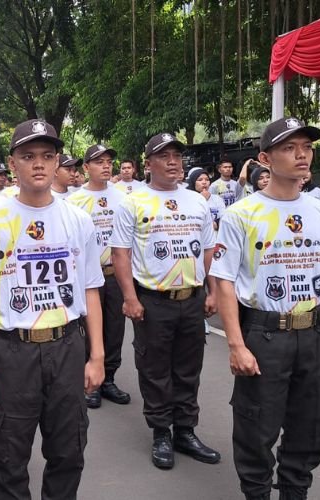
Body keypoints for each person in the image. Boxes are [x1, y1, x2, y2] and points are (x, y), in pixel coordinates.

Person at [210, 117, 320, 500]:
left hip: (313, 334)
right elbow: (223, 281)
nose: (301, 154)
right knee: (257, 427)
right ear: (265, 158)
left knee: (310, 427)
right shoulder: (242, 214)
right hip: (264, 335)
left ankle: (295, 492)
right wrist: (236, 345)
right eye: (289, 148)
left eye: (306, 147)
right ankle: (256, 493)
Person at [0, 119, 105, 500]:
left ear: (58, 161)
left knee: (68, 450)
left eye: (47, 156)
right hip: (13, 351)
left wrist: (97, 356)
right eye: (28, 156)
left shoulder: (78, 220)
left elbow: (91, 289)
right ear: (12, 165)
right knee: (10, 454)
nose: (38, 164)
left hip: (66, 346)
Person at [110, 132, 221, 470]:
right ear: (148, 164)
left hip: (191, 298)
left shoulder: (196, 201)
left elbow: (208, 249)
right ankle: (161, 431)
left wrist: (211, 290)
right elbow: (120, 254)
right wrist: (130, 297)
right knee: (155, 368)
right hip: (153, 300)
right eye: (164, 156)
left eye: (177, 156)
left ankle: (185, 431)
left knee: (189, 368)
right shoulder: (132, 202)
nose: (173, 162)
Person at [67, 144, 132, 409]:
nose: (106, 166)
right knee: (89, 329)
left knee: (115, 328)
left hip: (114, 273)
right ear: (86, 168)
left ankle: (109, 378)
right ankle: (89, 380)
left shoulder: (124, 198)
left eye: (108, 161)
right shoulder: (73, 202)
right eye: (98, 162)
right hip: (86, 278)